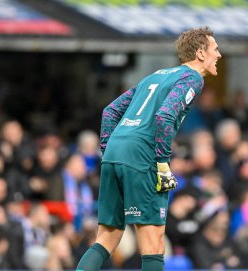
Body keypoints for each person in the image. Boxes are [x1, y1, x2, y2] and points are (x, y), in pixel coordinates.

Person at [76, 27, 222, 271]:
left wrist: (110, 151)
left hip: (114, 152)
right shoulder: (192, 79)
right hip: (142, 155)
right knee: (154, 245)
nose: (219, 55)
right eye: (215, 49)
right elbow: (165, 116)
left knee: (107, 237)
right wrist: (163, 163)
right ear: (200, 53)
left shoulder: (155, 76)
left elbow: (110, 112)